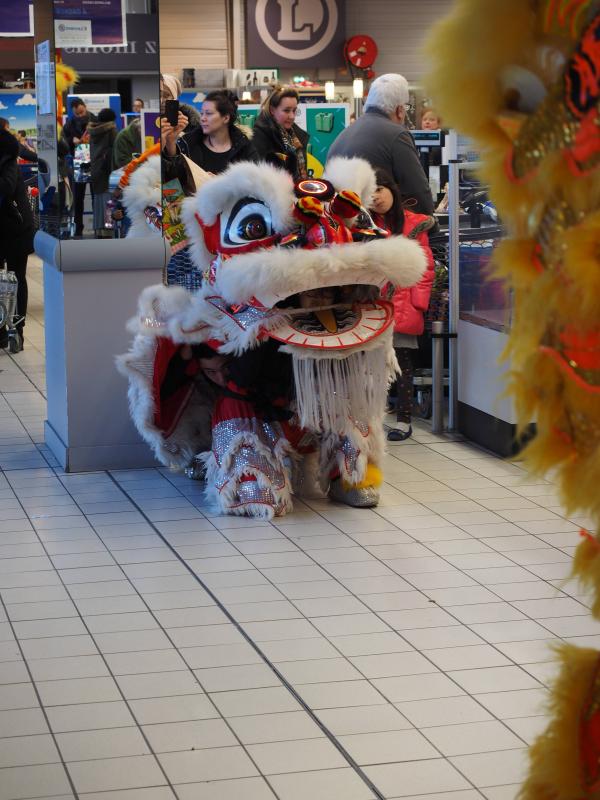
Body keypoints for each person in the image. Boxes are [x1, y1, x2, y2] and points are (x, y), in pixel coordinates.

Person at [371, 168, 434, 441]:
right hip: (372, 303)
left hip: (404, 301)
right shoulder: (365, 223)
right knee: (372, 364)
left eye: (380, 189)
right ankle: (375, 417)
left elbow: (426, 267)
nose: (376, 197)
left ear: (392, 189)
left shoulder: (414, 224)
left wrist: (418, 304)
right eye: (370, 192)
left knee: (403, 362)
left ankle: (404, 420)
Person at [328, 74, 434, 215]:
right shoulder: (397, 134)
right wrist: (430, 222)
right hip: (376, 223)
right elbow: (417, 190)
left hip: (340, 221)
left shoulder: (344, 133)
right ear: (399, 110)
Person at [162, 89, 257, 186]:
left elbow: (254, 184)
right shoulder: (188, 143)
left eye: (208, 113)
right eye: (202, 113)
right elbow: (172, 183)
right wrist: (171, 142)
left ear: (226, 118)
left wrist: (222, 183)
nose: (202, 118)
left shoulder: (244, 148)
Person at [0, 128, 34, 351]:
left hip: (16, 228)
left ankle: (17, 331)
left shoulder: (8, 160)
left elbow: (7, 187)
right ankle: (1, 331)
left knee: (17, 278)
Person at [252, 85, 309, 182]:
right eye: (286, 111)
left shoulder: (296, 136)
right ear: (272, 110)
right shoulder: (258, 137)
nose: (292, 116)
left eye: (294, 110)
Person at [63, 97, 95, 236]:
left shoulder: (95, 120)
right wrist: (72, 140)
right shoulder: (70, 123)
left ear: (85, 107)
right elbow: (63, 141)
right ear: (73, 112)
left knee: (96, 196)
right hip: (80, 158)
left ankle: (99, 227)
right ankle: (78, 228)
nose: (80, 115)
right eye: (77, 114)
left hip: (95, 160)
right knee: (78, 197)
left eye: (82, 112)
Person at [88, 108, 118, 237]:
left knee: (98, 201)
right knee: (109, 201)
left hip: (96, 170)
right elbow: (113, 152)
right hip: (107, 171)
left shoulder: (93, 131)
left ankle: (99, 230)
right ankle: (108, 230)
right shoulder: (111, 131)